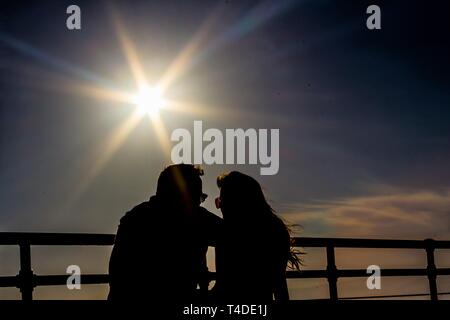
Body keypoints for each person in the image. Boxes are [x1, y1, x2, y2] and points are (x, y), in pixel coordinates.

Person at [108, 164, 222, 303]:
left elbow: (117, 278)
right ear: (186, 196)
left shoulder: (135, 218)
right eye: (199, 197)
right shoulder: (198, 219)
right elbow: (239, 236)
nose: (199, 203)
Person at [213, 171, 301, 302]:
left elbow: (223, 287)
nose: (220, 207)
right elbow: (279, 285)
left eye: (222, 201)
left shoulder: (228, 233)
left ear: (237, 202)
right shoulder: (275, 228)